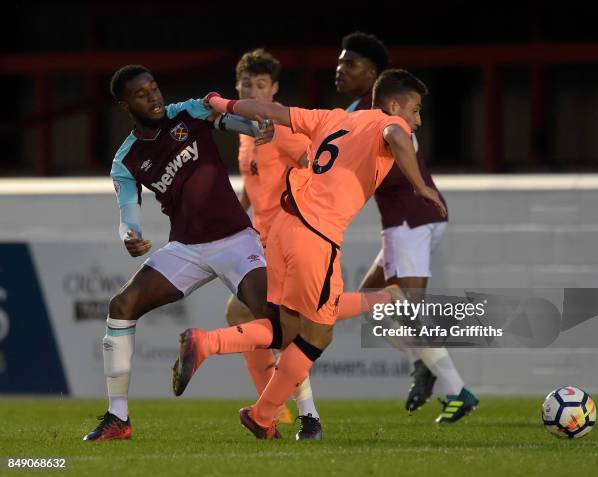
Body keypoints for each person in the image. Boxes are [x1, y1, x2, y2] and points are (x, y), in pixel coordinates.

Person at [172, 69, 447, 439]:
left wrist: (221, 102)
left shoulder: (333, 117)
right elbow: (397, 134)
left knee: (286, 329)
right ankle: (261, 406)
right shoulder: (391, 124)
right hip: (315, 234)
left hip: (283, 224)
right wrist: (421, 187)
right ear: (394, 104)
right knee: (318, 335)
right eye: (415, 109)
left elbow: (268, 112)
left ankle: (215, 353)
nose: (417, 119)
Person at [83, 64, 275, 441]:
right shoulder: (126, 159)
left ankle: (305, 415)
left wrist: (256, 126)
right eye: (141, 94)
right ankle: (117, 418)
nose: (153, 97)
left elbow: (241, 125)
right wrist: (131, 236)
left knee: (276, 321)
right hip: (187, 247)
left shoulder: (187, 112)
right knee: (121, 307)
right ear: (125, 104)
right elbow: (128, 215)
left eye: (154, 88)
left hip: (236, 239)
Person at [336, 32, 478, 423]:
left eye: (350, 63)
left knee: (407, 307)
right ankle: (423, 364)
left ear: (374, 73)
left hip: (409, 220)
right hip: (414, 219)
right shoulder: (359, 111)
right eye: (340, 61)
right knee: (370, 301)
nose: (340, 69)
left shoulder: (378, 114)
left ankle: (456, 389)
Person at [226, 48, 323, 439]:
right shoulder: (247, 130)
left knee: (278, 327)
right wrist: (233, 215)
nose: (253, 90)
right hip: (260, 240)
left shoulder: (279, 127)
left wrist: (303, 217)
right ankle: (282, 409)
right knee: (249, 318)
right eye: (247, 84)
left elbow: (314, 168)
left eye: (261, 85)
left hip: (287, 240)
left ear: (274, 89)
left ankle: (299, 414)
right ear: (238, 87)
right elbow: (254, 182)